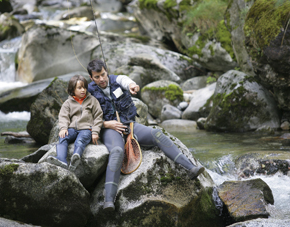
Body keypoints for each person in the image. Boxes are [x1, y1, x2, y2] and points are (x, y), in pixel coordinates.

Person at [87, 59, 205, 211]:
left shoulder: (116, 80)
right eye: (97, 77)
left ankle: (191, 168)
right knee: (117, 151)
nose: (102, 79)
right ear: (91, 78)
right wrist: (106, 124)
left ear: (106, 71)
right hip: (109, 129)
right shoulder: (87, 92)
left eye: (103, 74)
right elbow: (84, 120)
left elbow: (125, 80)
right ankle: (109, 200)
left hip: (129, 125)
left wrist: (132, 85)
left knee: (157, 133)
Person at [47, 75, 103, 171]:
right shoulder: (68, 103)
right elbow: (63, 116)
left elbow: (98, 116)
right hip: (72, 128)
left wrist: (95, 132)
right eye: (79, 88)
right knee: (63, 137)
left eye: (84, 87)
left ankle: (76, 156)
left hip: (86, 128)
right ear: (72, 90)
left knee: (80, 140)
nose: (83, 90)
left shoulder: (92, 100)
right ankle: (61, 159)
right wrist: (64, 128)